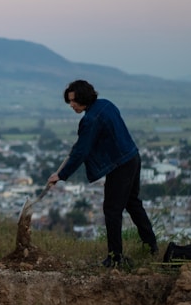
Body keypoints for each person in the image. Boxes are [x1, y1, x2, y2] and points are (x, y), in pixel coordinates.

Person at [47, 79, 158, 267]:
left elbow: (81, 152)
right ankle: (151, 247)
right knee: (133, 203)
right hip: (132, 157)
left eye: (73, 101)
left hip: (120, 165)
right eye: (69, 102)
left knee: (112, 210)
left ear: (83, 97)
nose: (71, 105)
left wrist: (61, 175)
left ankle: (115, 258)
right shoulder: (106, 104)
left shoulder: (90, 120)